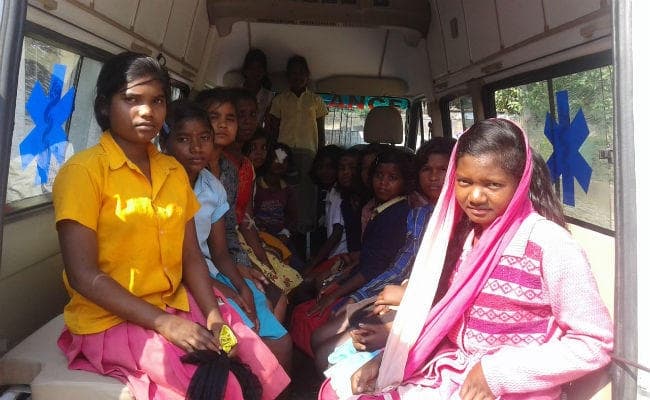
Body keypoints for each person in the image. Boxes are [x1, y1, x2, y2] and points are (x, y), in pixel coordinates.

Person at [320, 118, 613, 400]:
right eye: (464, 181)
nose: (475, 197)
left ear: (520, 182)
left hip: (512, 386)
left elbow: (594, 343)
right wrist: (388, 358)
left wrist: (497, 372)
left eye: (493, 185)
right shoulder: (462, 238)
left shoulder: (550, 244)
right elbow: (446, 322)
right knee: (336, 390)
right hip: (452, 371)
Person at [52, 52, 289, 400]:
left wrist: (213, 316)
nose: (147, 111)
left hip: (174, 303)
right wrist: (165, 324)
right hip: (110, 318)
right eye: (132, 99)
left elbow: (191, 255)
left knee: (254, 362)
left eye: (157, 101)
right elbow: (83, 275)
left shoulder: (172, 171)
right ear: (104, 105)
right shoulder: (83, 172)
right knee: (218, 385)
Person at [161, 99, 293, 373]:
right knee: (246, 344)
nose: (196, 148)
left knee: (281, 342)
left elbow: (220, 253)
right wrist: (227, 290)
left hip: (209, 269)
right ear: (165, 143)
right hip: (180, 276)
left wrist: (241, 285)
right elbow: (179, 260)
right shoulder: (160, 185)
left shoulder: (213, 188)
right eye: (184, 139)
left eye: (204, 138)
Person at [311, 137, 456, 372]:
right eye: (427, 169)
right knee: (320, 338)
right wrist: (363, 296)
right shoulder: (419, 215)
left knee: (325, 354)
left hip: (422, 302)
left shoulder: (460, 219)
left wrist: (405, 296)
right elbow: (401, 265)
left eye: (443, 170)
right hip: (400, 292)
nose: (433, 177)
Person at [290, 148, 414, 357]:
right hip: (364, 278)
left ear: (405, 182)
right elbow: (368, 258)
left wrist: (337, 295)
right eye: (379, 176)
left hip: (373, 286)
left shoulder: (396, 216)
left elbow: (372, 268)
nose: (383, 183)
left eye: (392, 178)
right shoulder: (382, 210)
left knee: (308, 316)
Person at [196, 88, 302, 302]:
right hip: (205, 256)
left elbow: (243, 221)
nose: (223, 124)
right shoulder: (195, 169)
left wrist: (261, 259)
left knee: (280, 286)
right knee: (270, 293)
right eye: (215, 117)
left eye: (230, 118)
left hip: (227, 246)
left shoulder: (234, 169)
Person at [269, 55, 329, 235]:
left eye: (301, 72)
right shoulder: (279, 100)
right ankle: (282, 223)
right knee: (282, 186)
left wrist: (321, 154)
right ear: (288, 76)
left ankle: (305, 226)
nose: (298, 76)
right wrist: (274, 153)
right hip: (282, 151)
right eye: (293, 73)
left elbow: (321, 130)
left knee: (307, 189)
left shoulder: (316, 101)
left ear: (307, 75)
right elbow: (273, 129)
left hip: (308, 150)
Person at [241, 48, 274, 128]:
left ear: (264, 72)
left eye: (259, 68)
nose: (255, 72)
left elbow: (267, 124)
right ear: (245, 70)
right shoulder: (235, 92)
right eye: (252, 68)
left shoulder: (269, 96)